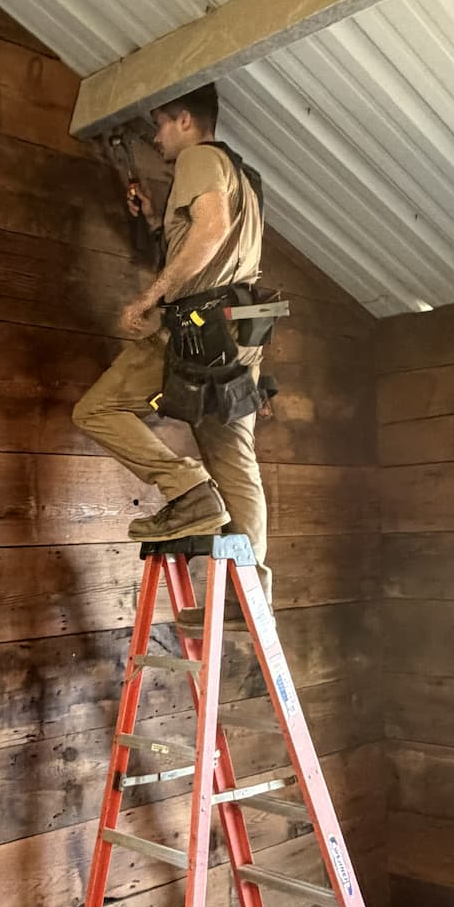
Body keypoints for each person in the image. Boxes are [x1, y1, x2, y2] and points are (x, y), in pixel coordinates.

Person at [73, 83, 272, 617]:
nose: (156, 138)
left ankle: (187, 489)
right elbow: (213, 241)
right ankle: (248, 599)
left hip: (194, 328)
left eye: (160, 124)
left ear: (185, 120)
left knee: (96, 409)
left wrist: (147, 297)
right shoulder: (243, 176)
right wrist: (158, 222)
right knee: (235, 459)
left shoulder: (200, 158)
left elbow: (210, 229)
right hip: (238, 333)